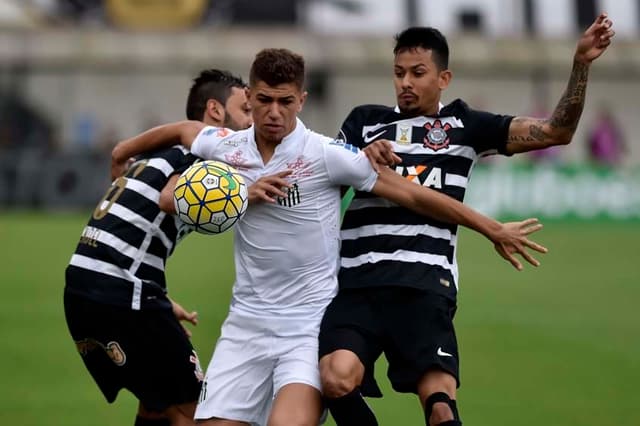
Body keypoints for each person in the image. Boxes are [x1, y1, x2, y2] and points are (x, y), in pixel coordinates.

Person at [111, 48, 547, 426]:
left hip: (307, 325)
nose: (274, 112)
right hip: (245, 324)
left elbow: (412, 194)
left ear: (301, 99)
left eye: (285, 101)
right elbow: (179, 163)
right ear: (249, 98)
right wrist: (126, 151)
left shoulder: (325, 154)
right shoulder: (229, 149)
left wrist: (489, 227)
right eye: (263, 100)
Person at [317, 13, 615, 426]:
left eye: (418, 73)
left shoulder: (465, 125)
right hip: (358, 284)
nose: (405, 82)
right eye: (399, 72)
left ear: (444, 78)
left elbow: (555, 132)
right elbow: (327, 172)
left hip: (425, 286)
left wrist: (580, 64)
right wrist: (360, 157)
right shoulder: (364, 121)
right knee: (335, 380)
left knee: (440, 408)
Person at [64, 69, 252, 426]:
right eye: (246, 110)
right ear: (215, 111)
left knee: (156, 405)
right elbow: (170, 198)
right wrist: (247, 195)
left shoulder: (165, 154)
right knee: (193, 410)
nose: (252, 121)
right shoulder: (211, 150)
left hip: (83, 288)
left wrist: (160, 302)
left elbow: (136, 227)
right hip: (122, 292)